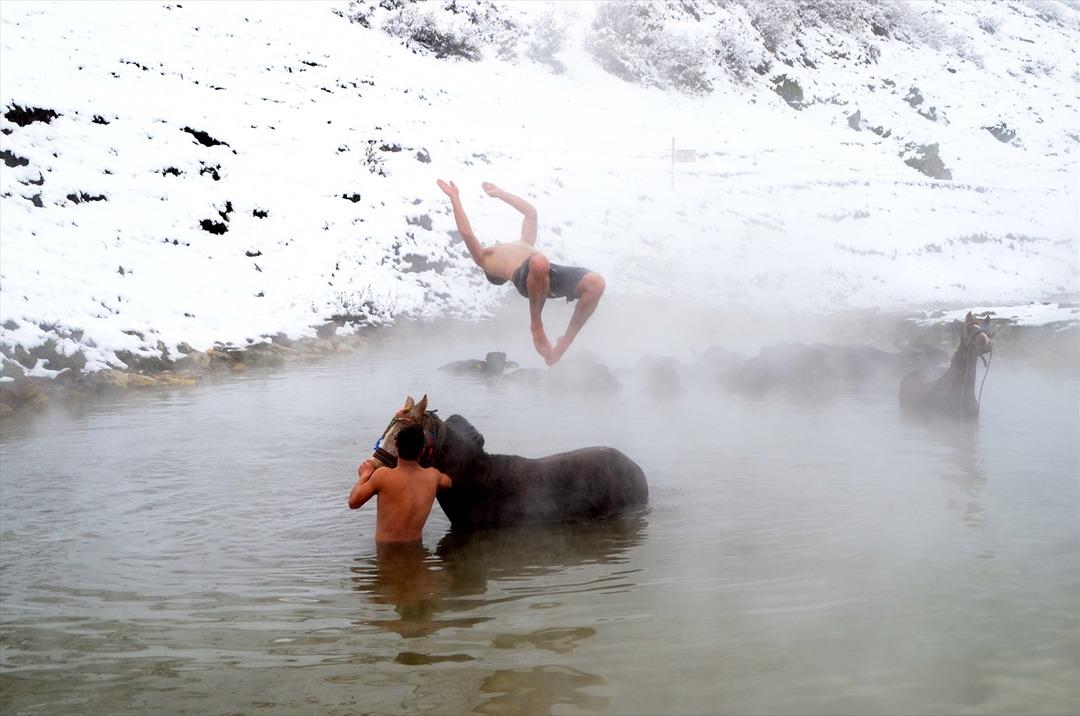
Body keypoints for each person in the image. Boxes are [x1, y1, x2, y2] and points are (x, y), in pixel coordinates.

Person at [436, 179, 606, 366]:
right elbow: (466, 233)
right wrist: (454, 198)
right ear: (493, 274)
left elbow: (530, 213)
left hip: (548, 273)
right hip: (528, 277)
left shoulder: (525, 242)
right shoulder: (484, 258)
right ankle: (537, 327)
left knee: (596, 283)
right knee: (540, 262)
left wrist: (499, 193)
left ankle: (564, 343)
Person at [348, 424, 453, 543]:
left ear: (396, 446)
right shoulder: (433, 477)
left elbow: (353, 503)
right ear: (423, 450)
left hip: (387, 553)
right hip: (416, 552)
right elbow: (449, 482)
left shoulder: (382, 476)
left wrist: (364, 475)